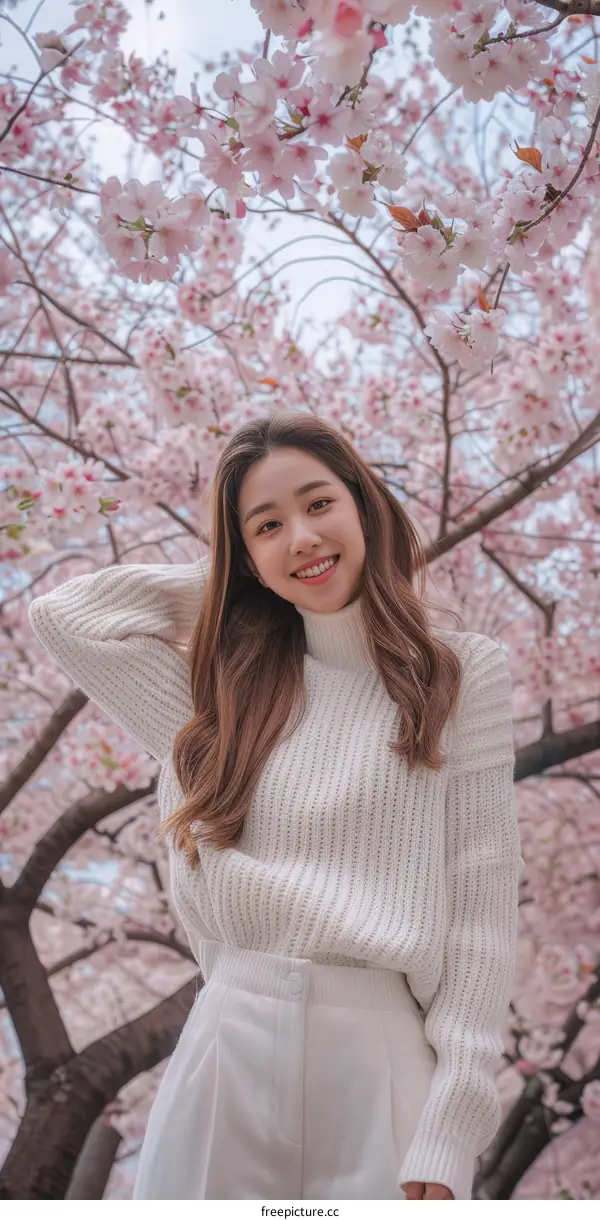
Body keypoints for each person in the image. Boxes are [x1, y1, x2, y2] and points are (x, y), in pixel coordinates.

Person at [28, 410, 524, 1202]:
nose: (301, 535)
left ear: (367, 504)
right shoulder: (224, 698)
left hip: (379, 1056)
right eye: (268, 523)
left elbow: (481, 903)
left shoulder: (461, 676)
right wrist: (242, 574)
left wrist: (453, 1119)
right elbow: (68, 618)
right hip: (230, 1045)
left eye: (320, 503)